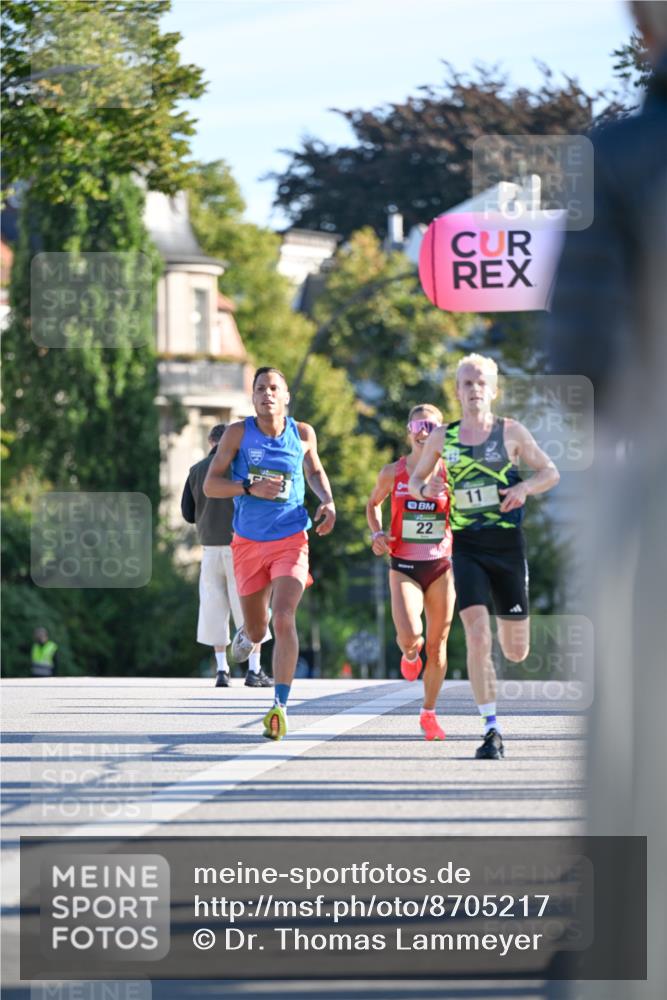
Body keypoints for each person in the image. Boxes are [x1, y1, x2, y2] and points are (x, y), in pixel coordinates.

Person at [409, 354, 559, 759]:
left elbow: (550, 472)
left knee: (515, 650)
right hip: (468, 547)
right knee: (477, 634)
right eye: (466, 383)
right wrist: (428, 490)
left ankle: (500, 695)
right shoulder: (443, 438)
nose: (474, 389)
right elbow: (417, 479)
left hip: (507, 548)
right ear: (457, 391)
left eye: (480, 383)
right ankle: (491, 728)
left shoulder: (511, 432)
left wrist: (524, 489)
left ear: (493, 390)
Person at [203, 367, 336, 740]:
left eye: (274, 388)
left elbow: (315, 472)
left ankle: (279, 704)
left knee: (283, 617)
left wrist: (328, 502)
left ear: (286, 395)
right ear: (253, 396)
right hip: (247, 542)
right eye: (260, 388)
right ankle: (247, 633)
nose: (267, 394)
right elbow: (212, 485)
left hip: (292, 536)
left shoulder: (303, 433)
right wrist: (248, 486)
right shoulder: (237, 434)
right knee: (259, 628)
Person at [366, 404, 455, 741]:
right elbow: (373, 503)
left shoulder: (451, 473)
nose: (423, 432)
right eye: (418, 425)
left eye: (430, 426)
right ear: (408, 430)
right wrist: (377, 534)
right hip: (403, 564)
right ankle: (408, 651)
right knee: (412, 635)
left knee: (439, 642)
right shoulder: (394, 472)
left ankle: (429, 712)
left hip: (441, 564)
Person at [181, 423, 272, 689]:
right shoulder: (242, 470)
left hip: (209, 548)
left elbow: (187, 513)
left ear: (211, 442)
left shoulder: (196, 471)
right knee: (250, 608)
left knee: (213, 608)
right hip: (241, 547)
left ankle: (222, 670)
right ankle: (253, 671)